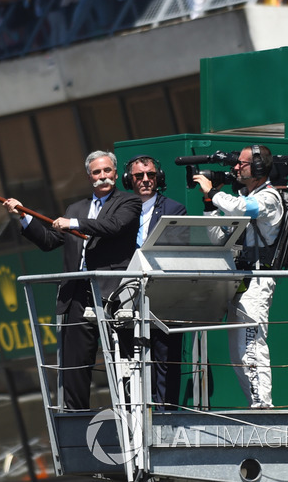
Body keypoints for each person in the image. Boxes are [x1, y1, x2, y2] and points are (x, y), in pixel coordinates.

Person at [4, 150, 141, 410]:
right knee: (75, 365)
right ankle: (75, 417)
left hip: (114, 293)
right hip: (78, 293)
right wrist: (23, 216)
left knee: (122, 361)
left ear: (115, 173)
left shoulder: (129, 202)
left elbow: (113, 226)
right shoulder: (75, 208)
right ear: (89, 176)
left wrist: (74, 223)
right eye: (97, 172)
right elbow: (49, 242)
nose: (103, 177)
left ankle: (130, 413)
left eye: (107, 171)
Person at [192, 144, 283, 409]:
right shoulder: (242, 198)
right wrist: (209, 204)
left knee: (251, 346)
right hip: (240, 279)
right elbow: (219, 238)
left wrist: (213, 190)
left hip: (257, 279)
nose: (234, 168)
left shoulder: (268, 198)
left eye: (241, 164)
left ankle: (264, 407)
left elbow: (243, 209)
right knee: (238, 353)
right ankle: (257, 405)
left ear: (257, 168)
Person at [124, 154, 186, 410]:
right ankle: (134, 412)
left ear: (158, 177)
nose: (146, 180)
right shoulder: (119, 209)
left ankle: (166, 413)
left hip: (162, 294)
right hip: (126, 293)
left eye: (150, 175)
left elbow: (179, 248)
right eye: (139, 176)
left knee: (164, 356)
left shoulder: (174, 209)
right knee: (129, 358)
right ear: (129, 180)